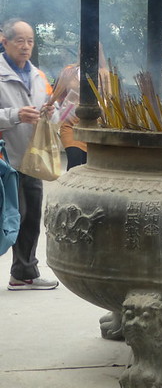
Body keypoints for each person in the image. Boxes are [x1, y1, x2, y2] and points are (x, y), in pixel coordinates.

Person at [0, 19, 59, 290]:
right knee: (8, 217)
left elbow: (54, 111)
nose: (26, 47)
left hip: (32, 157)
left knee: (31, 216)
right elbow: (13, 116)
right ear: (5, 41)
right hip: (5, 160)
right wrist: (15, 116)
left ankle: (24, 272)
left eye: (30, 41)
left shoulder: (38, 75)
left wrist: (49, 113)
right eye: (20, 41)